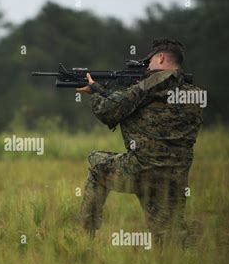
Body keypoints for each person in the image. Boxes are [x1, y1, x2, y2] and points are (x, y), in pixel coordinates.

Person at [76, 39, 203, 245]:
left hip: (142, 169)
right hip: (176, 174)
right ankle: (201, 245)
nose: (147, 66)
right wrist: (107, 91)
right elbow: (153, 116)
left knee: (97, 165)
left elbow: (108, 112)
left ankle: (83, 236)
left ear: (161, 57)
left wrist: (95, 93)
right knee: (169, 235)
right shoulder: (194, 94)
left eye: (150, 61)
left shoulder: (148, 85)